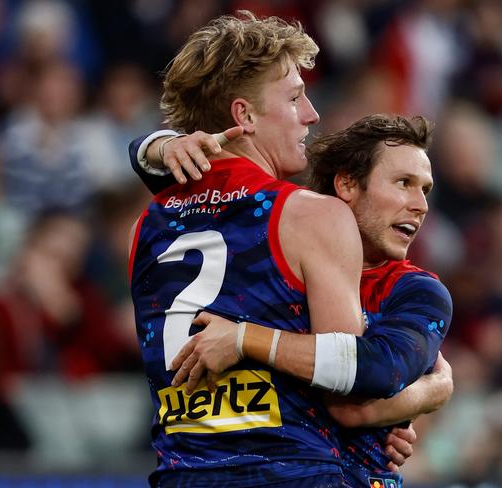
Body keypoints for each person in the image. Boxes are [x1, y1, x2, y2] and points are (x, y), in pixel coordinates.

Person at [129, 11, 439, 487]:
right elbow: (351, 394)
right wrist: (432, 389)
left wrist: (153, 146)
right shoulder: (311, 214)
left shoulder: (147, 225)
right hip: (292, 473)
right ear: (244, 115)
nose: (311, 114)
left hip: (182, 474)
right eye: (295, 97)